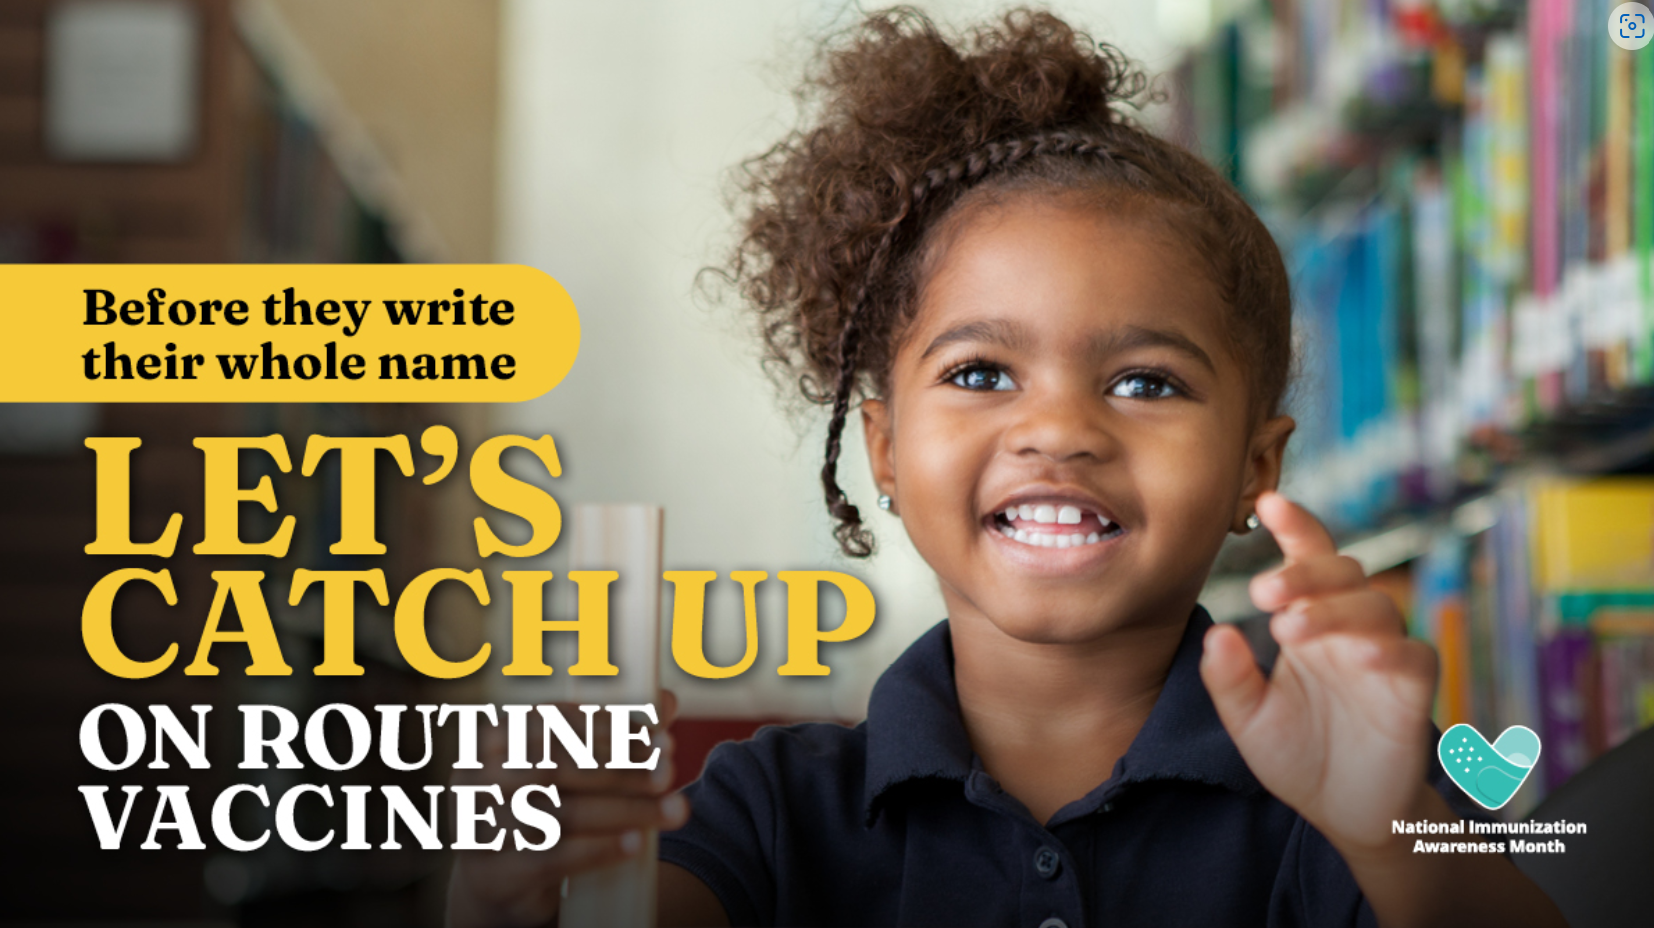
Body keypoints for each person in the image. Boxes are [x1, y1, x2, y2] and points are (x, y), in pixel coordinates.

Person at [449, 8, 1568, 927]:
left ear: (1253, 468)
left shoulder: (1349, 773)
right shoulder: (767, 814)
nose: (1060, 428)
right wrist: (512, 906)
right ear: (884, 449)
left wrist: (1388, 836)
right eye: (982, 373)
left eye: (1144, 382)